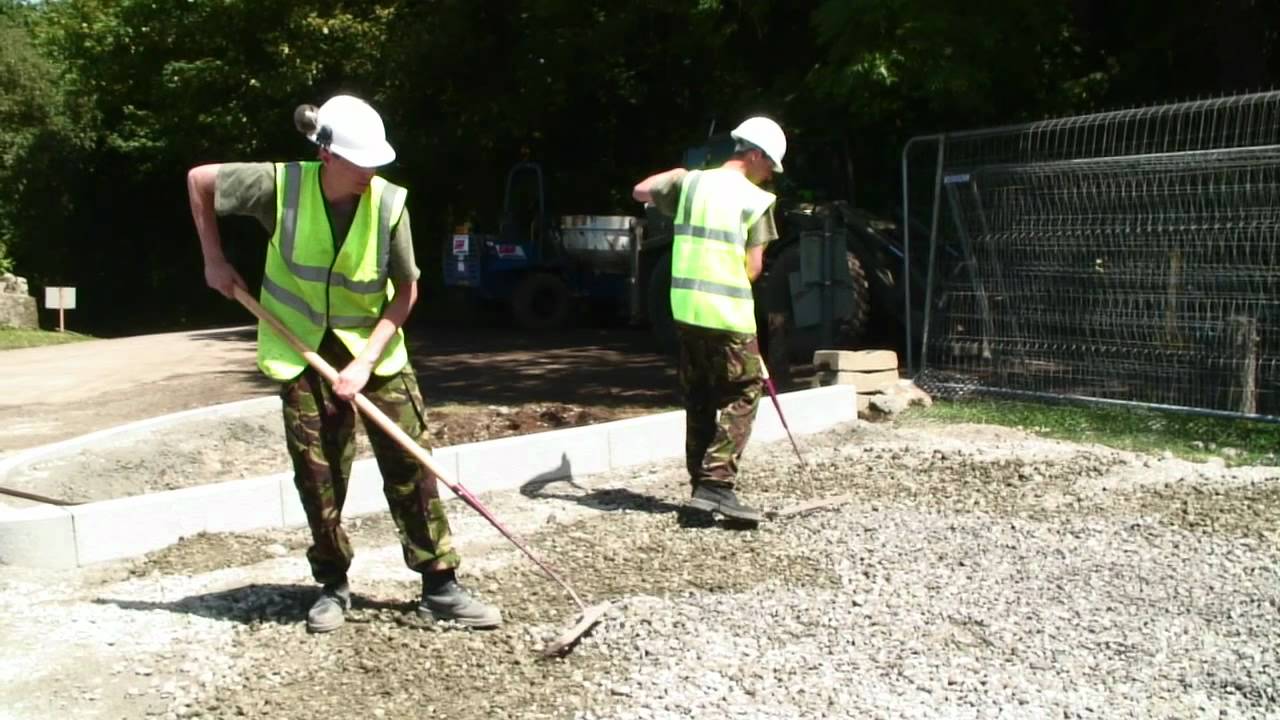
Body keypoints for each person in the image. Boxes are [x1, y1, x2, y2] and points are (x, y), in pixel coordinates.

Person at [186, 94, 501, 632]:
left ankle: (440, 585)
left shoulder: (388, 203)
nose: (370, 172)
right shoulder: (279, 186)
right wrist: (214, 258)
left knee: (411, 460)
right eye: (360, 162)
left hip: (372, 347)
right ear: (327, 156)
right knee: (319, 473)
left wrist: (364, 362)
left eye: (376, 161)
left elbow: (405, 293)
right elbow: (200, 179)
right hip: (300, 347)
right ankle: (331, 584)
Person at [632, 116, 786, 526]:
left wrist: (680, 173)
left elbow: (640, 190)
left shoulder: (691, 185)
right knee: (744, 391)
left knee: (699, 395)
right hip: (728, 314)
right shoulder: (756, 201)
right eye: (770, 164)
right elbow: (753, 268)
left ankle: (700, 491)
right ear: (754, 154)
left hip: (685, 310)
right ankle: (717, 485)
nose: (770, 173)